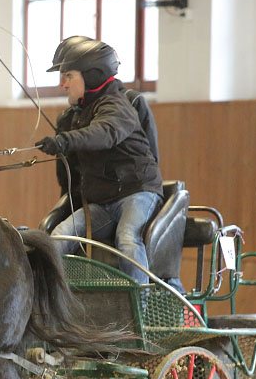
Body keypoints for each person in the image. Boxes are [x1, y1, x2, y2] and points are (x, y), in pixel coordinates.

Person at [36, 38, 162, 286]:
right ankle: (54, 303)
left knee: (127, 238)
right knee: (59, 236)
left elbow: (104, 132)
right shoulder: (72, 117)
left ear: (92, 76)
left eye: (68, 76)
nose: (62, 84)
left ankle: (142, 310)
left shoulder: (118, 105)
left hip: (137, 194)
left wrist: (64, 141)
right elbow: (68, 175)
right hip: (102, 203)